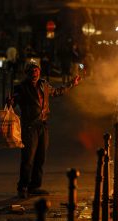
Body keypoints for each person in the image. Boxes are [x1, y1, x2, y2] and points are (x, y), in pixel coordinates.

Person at [7, 60, 80, 198]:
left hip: (43, 125)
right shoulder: (21, 87)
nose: (34, 73)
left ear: (39, 71)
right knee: (28, 159)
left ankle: (34, 186)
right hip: (29, 127)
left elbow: (57, 91)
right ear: (26, 73)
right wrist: (10, 102)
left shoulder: (44, 85)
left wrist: (72, 84)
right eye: (31, 71)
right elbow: (14, 101)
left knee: (40, 158)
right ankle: (22, 187)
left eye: (36, 70)